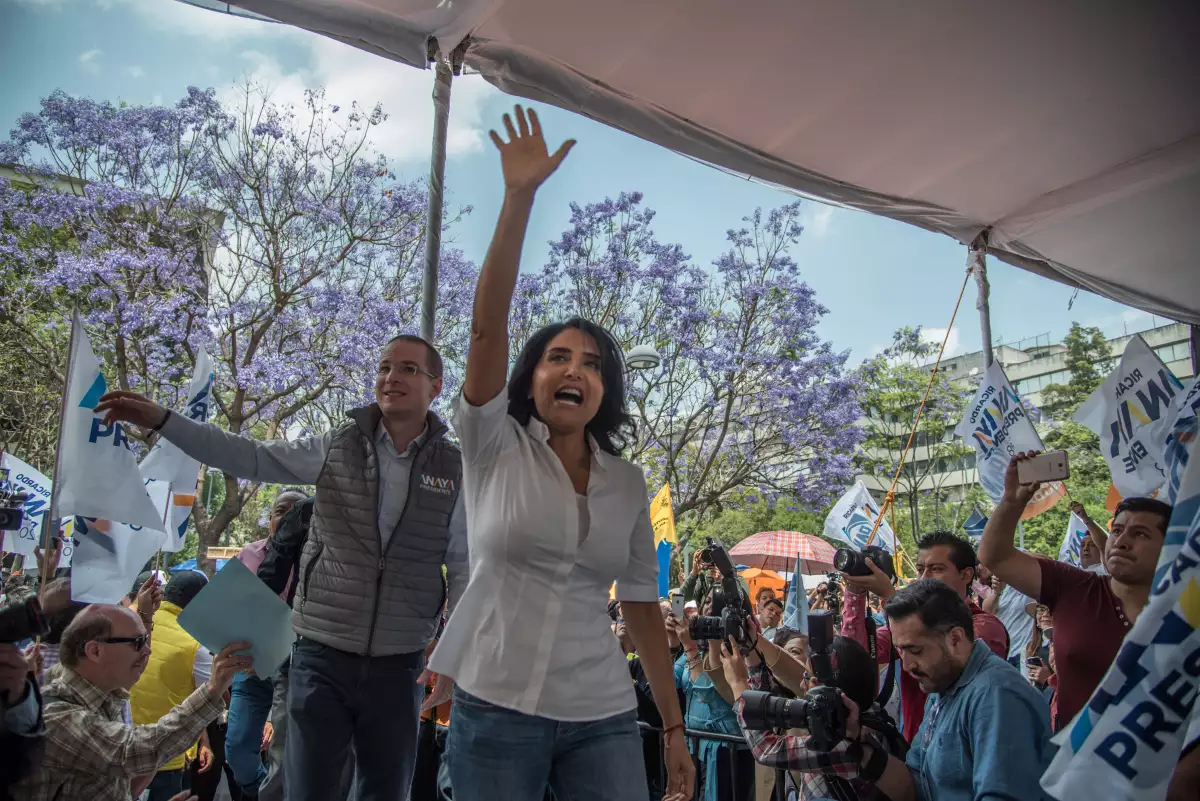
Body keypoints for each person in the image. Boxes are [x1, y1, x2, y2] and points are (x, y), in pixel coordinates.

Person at [425, 105, 692, 801]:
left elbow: (639, 600)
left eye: (593, 364)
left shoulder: (628, 482)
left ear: (605, 389)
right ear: (531, 376)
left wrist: (671, 726)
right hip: (494, 701)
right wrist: (519, 199)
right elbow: (486, 330)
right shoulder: (493, 444)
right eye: (558, 357)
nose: (575, 370)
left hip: (601, 708)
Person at [95, 330, 468, 801]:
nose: (391, 377)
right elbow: (249, 455)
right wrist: (165, 421)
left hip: (402, 666)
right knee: (306, 789)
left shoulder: (454, 468)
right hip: (320, 656)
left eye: (409, 369)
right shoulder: (337, 446)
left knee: (385, 791)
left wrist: (451, 655)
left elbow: (462, 565)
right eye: (385, 367)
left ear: (436, 386)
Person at [978, 451, 1171, 730]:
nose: (1121, 541)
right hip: (1077, 763)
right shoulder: (1073, 586)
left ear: (1171, 545)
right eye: (1117, 531)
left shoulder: (1185, 607)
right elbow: (995, 556)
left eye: (1140, 534)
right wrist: (1013, 500)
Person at [11, 604, 251, 801]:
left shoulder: (101, 697)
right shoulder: (58, 718)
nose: (147, 651)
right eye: (137, 642)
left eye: (146, 640)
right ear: (94, 651)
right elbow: (139, 750)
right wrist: (213, 688)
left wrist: (145, 614)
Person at [839, 531, 1008, 741]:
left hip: (965, 750)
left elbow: (950, 671)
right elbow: (856, 655)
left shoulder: (984, 625)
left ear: (966, 575)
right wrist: (855, 593)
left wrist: (892, 599)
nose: (923, 578)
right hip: (917, 749)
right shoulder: (904, 627)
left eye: (936, 569)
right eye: (920, 569)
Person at [891, 580, 1053, 800]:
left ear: (955, 639)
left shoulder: (997, 695)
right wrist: (861, 746)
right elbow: (916, 780)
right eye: (900, 651)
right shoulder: (942, 684)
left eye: (915, 650)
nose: (908, 664)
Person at [720, 631, 910, 801]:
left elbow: (767, 749)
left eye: (807, 678)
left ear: (829, 691)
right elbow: (769, 701)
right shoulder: (864, 714)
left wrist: (738, 684)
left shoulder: (844, 743)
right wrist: (752, 652)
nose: (803, 686)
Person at [223, 488, 306, 799]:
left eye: (296, 511)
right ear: (270, 519)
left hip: (296, 670)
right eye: (280, 510)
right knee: (238, 751)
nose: (286, 517)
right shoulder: (248, 556)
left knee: (283, 754)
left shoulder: (320, 561)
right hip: (252, 668)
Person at [129, 572, 211, 801]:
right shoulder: (196, 645)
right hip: (166, 758)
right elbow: (212, 697)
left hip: (122, 748)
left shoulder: (129, 625)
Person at [667, 596, 751, 801]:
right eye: (708, 601)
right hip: (694, 746)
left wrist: (690, 649)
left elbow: (706, 693)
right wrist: (672, 644)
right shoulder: (696, 646)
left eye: (721, 602)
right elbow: (670, 684)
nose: (711, 607)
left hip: (725, 753)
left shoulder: (741, 652)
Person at [978, 567, 1034, 668]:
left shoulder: (1029, 585)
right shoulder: (997, 589)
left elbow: (1044, 560)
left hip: (1027, 652)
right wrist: (997, 591)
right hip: (1006, 655)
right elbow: (987, 611)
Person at [682, 548, 750, 606]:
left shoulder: (738, 580)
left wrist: (722, 581)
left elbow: (742, 602)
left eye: (717, 558)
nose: (715, 562)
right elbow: (685, 598)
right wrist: (694, 572)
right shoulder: (704, 580)